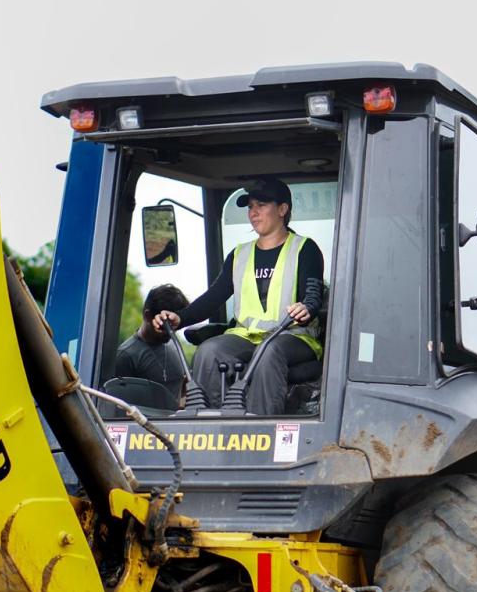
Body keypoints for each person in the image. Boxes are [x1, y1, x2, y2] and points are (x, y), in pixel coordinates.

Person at [152, 178, 324, 415]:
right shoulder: (239, 255)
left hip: (292, 335)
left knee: (269, 350)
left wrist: (307, 309)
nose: (253, 213)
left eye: (261, 205)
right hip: (245, 336)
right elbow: (213, 297)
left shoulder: (305, 249)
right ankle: (208, 427)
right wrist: (179, 318)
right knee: (209, 351)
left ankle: (259, 432)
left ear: (282, 209)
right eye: (250, 207)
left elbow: (313, 295)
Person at [115, 284, 189, 401]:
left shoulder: (174, 344)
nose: (171, 332)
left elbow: (182, 387)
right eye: (166, 325)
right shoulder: (126, 355)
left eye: (175, 326)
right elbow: (121, 406)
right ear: (148, 316)